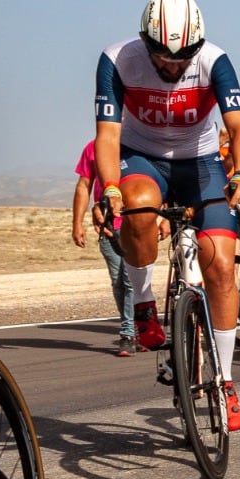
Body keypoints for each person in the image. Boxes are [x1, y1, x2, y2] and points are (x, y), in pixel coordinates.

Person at [94, 0, 240, 430]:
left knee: (222, 265)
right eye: (161, 55)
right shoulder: (117, 58)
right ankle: (144, 301)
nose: (172, 64)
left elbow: (239, 128)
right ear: (144, 41)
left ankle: (224, 380)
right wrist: (110, 188)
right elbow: (107, 136)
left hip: (201, 162)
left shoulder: (215, 60)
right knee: (140, 207)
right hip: (141, 155)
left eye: (183, 55)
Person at [73, 138, 155, 355]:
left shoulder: (140, 145)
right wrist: (77, 223)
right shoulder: (92, 148)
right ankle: (136, 328)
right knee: (118, 282)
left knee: (130, 281)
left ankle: (129, 333)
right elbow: (84, 185)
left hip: (134, 224)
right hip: (107, 226)